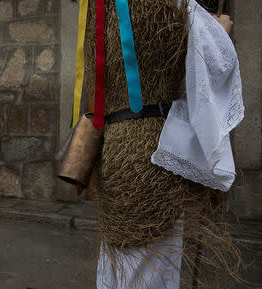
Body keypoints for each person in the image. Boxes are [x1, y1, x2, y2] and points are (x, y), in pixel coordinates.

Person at [84, 0, 243, 288]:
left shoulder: (100, 8)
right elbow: (212, 63)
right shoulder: (171, 4)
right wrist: (220, 30)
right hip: (155, 154)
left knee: (118, 267)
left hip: (115, 150)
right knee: (149, 271)